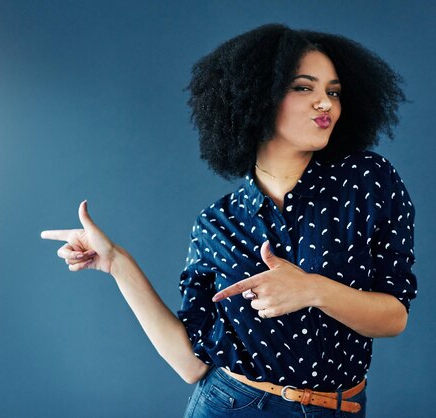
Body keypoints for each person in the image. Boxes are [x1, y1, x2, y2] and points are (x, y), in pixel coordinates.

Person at [41, 24, 417, 417]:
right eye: (304, 87)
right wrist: (117, 263)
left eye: (333, 91)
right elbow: (190, 365)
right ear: (259, 97)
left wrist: (311, 290)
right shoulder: (217, 224)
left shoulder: (368, 180)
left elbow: (394, 317)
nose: (325, 103)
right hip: (233, 405)